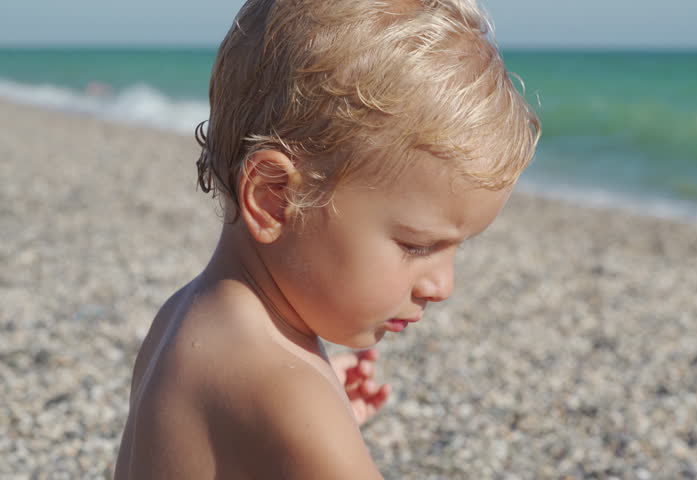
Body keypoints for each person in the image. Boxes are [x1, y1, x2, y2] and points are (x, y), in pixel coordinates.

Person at [114, 0, 539, 477]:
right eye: (417, 246)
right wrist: (318, 430)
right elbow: (277, 401)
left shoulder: (183, 316)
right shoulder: (287, 398)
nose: (442, 286)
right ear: (275, 198)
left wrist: (321, 416)